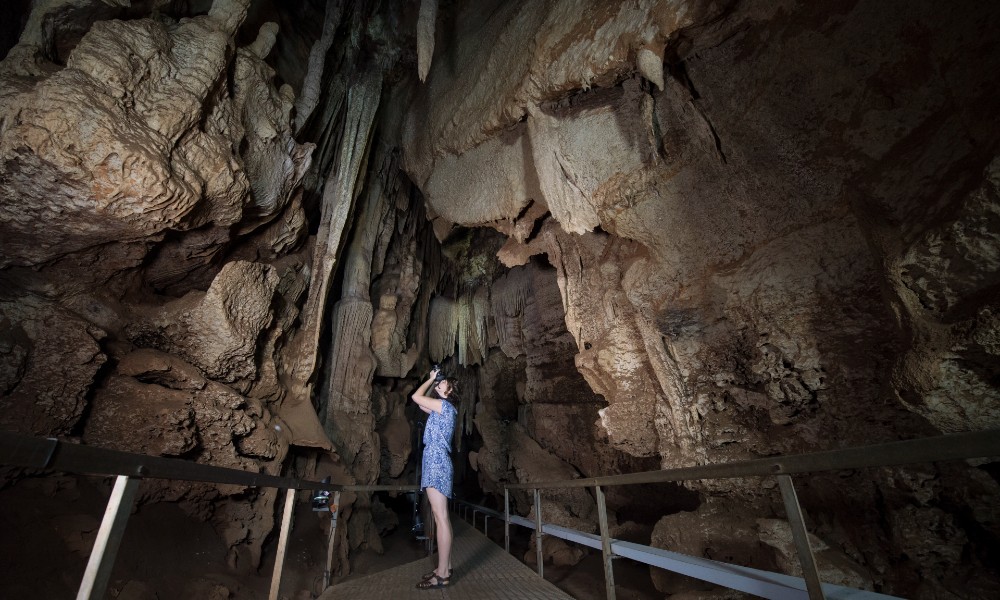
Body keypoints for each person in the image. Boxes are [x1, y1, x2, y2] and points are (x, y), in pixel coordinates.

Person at [410, 365, 457, 589]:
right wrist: (434, 382)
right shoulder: (444, 409)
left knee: (440, 517)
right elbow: (420, 402)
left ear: (451, 389)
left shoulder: (442, 406)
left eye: (444, 382)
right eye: (440, 381)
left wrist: (429, 379)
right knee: (442, 518)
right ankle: (443, 568)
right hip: (437, 460)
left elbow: (414, 396)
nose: (440, 383)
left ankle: (443, 574)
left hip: (436, 461)